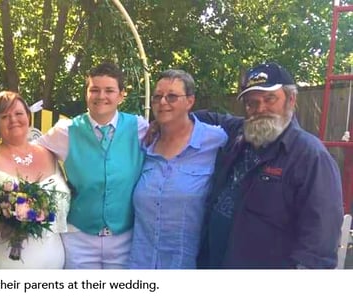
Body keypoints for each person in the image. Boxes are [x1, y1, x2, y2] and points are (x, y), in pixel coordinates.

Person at [195, 62, 343, 268]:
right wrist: (167, 121)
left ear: (291, 99)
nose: (259, 109)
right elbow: (207, 117)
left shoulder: (310, 156)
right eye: (251, 103)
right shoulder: (243, 132)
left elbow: (319, 244)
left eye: (269, 98)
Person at [37, 62, 148, 269]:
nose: (101, 96)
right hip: (79, 237)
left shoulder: (139, 128)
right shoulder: (66, 131)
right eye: (94, 89)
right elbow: (33, 155)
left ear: (121, 95)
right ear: (86, 93)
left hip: (125, 237)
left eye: (109, 90)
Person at [0, 91, 70, 269]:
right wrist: (8, 227)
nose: (13, 120)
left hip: (51, 261)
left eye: (18, 113)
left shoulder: (50, 155)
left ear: (28, 117)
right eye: (5, 116)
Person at [128, 70, 227, 269]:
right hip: (141, 264)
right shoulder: (143, 143)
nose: (163, 102)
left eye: (172, 96)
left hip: (187, 266)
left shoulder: (216, 140)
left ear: (190, 101)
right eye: (157, 96)